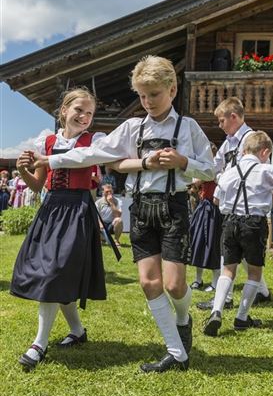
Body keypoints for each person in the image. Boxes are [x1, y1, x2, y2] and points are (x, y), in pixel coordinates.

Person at [27, 55, 215, 373]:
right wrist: (53, 160)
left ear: (172, 89)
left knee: (174, 285)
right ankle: (176, 352)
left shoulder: (189, 128)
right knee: (148, 282)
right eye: (142, 95)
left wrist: (183, 162)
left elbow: (210, 171)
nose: (147, 101)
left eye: (153, 94)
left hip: (174, 208)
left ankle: (184, 318)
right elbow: (94, 153)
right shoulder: (132, 127)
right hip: (141, 209)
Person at [10, 88, 110, 371]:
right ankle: (77, 331)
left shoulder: (94, 141)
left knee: (55, 271)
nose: (84, 117)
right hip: (51, 209)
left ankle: (39, 344)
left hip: (77, 210)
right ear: (64, 110)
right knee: (56, 273)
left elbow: (87, 159)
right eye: (79, 110)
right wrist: (22, 172)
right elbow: (39, 185)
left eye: (90, 113)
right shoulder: (49, 141)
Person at [197, 97, 271, 311]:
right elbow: (216, 164)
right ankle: (263, 291)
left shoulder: (250, 140)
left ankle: (226, 299)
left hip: (243, 205)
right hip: (233, 203)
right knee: (242, 251)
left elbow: (235, 172)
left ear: (234, 117)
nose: (220, 126)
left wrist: (219, 178)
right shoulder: (230, 140)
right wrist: (198, 176)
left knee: (229, 253)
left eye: (222, 121)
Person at [203, 131, 273, 336]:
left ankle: (216, 310)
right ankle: (241, 317)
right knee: (254, 272)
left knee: (228, 270)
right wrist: (271, 198)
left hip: (229, 223)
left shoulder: (229, 172)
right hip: (254, 223)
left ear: (245, 149)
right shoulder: (268, 170)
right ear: (264, 151)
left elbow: (217, 200)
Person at [190, 142, 222, 292]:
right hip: (203, 206)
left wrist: (200, 178)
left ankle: (215, 282)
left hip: (215, 209)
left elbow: (200, 180)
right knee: (198, 243)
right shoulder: (204, 166)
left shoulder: (217, 166)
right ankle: (198, 279)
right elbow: (195, 185)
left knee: (213, 245)